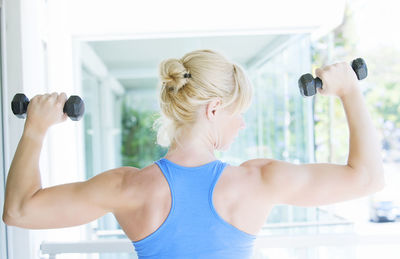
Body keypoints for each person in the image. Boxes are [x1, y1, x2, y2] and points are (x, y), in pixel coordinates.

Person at [2, 49, 385, 259]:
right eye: (240, 113)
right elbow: (368, 178)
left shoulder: (127, 187)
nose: (243, 125)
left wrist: (34, 129)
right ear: (215, 109)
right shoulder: (258, 181)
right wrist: (349, 91)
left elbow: (19, 211)